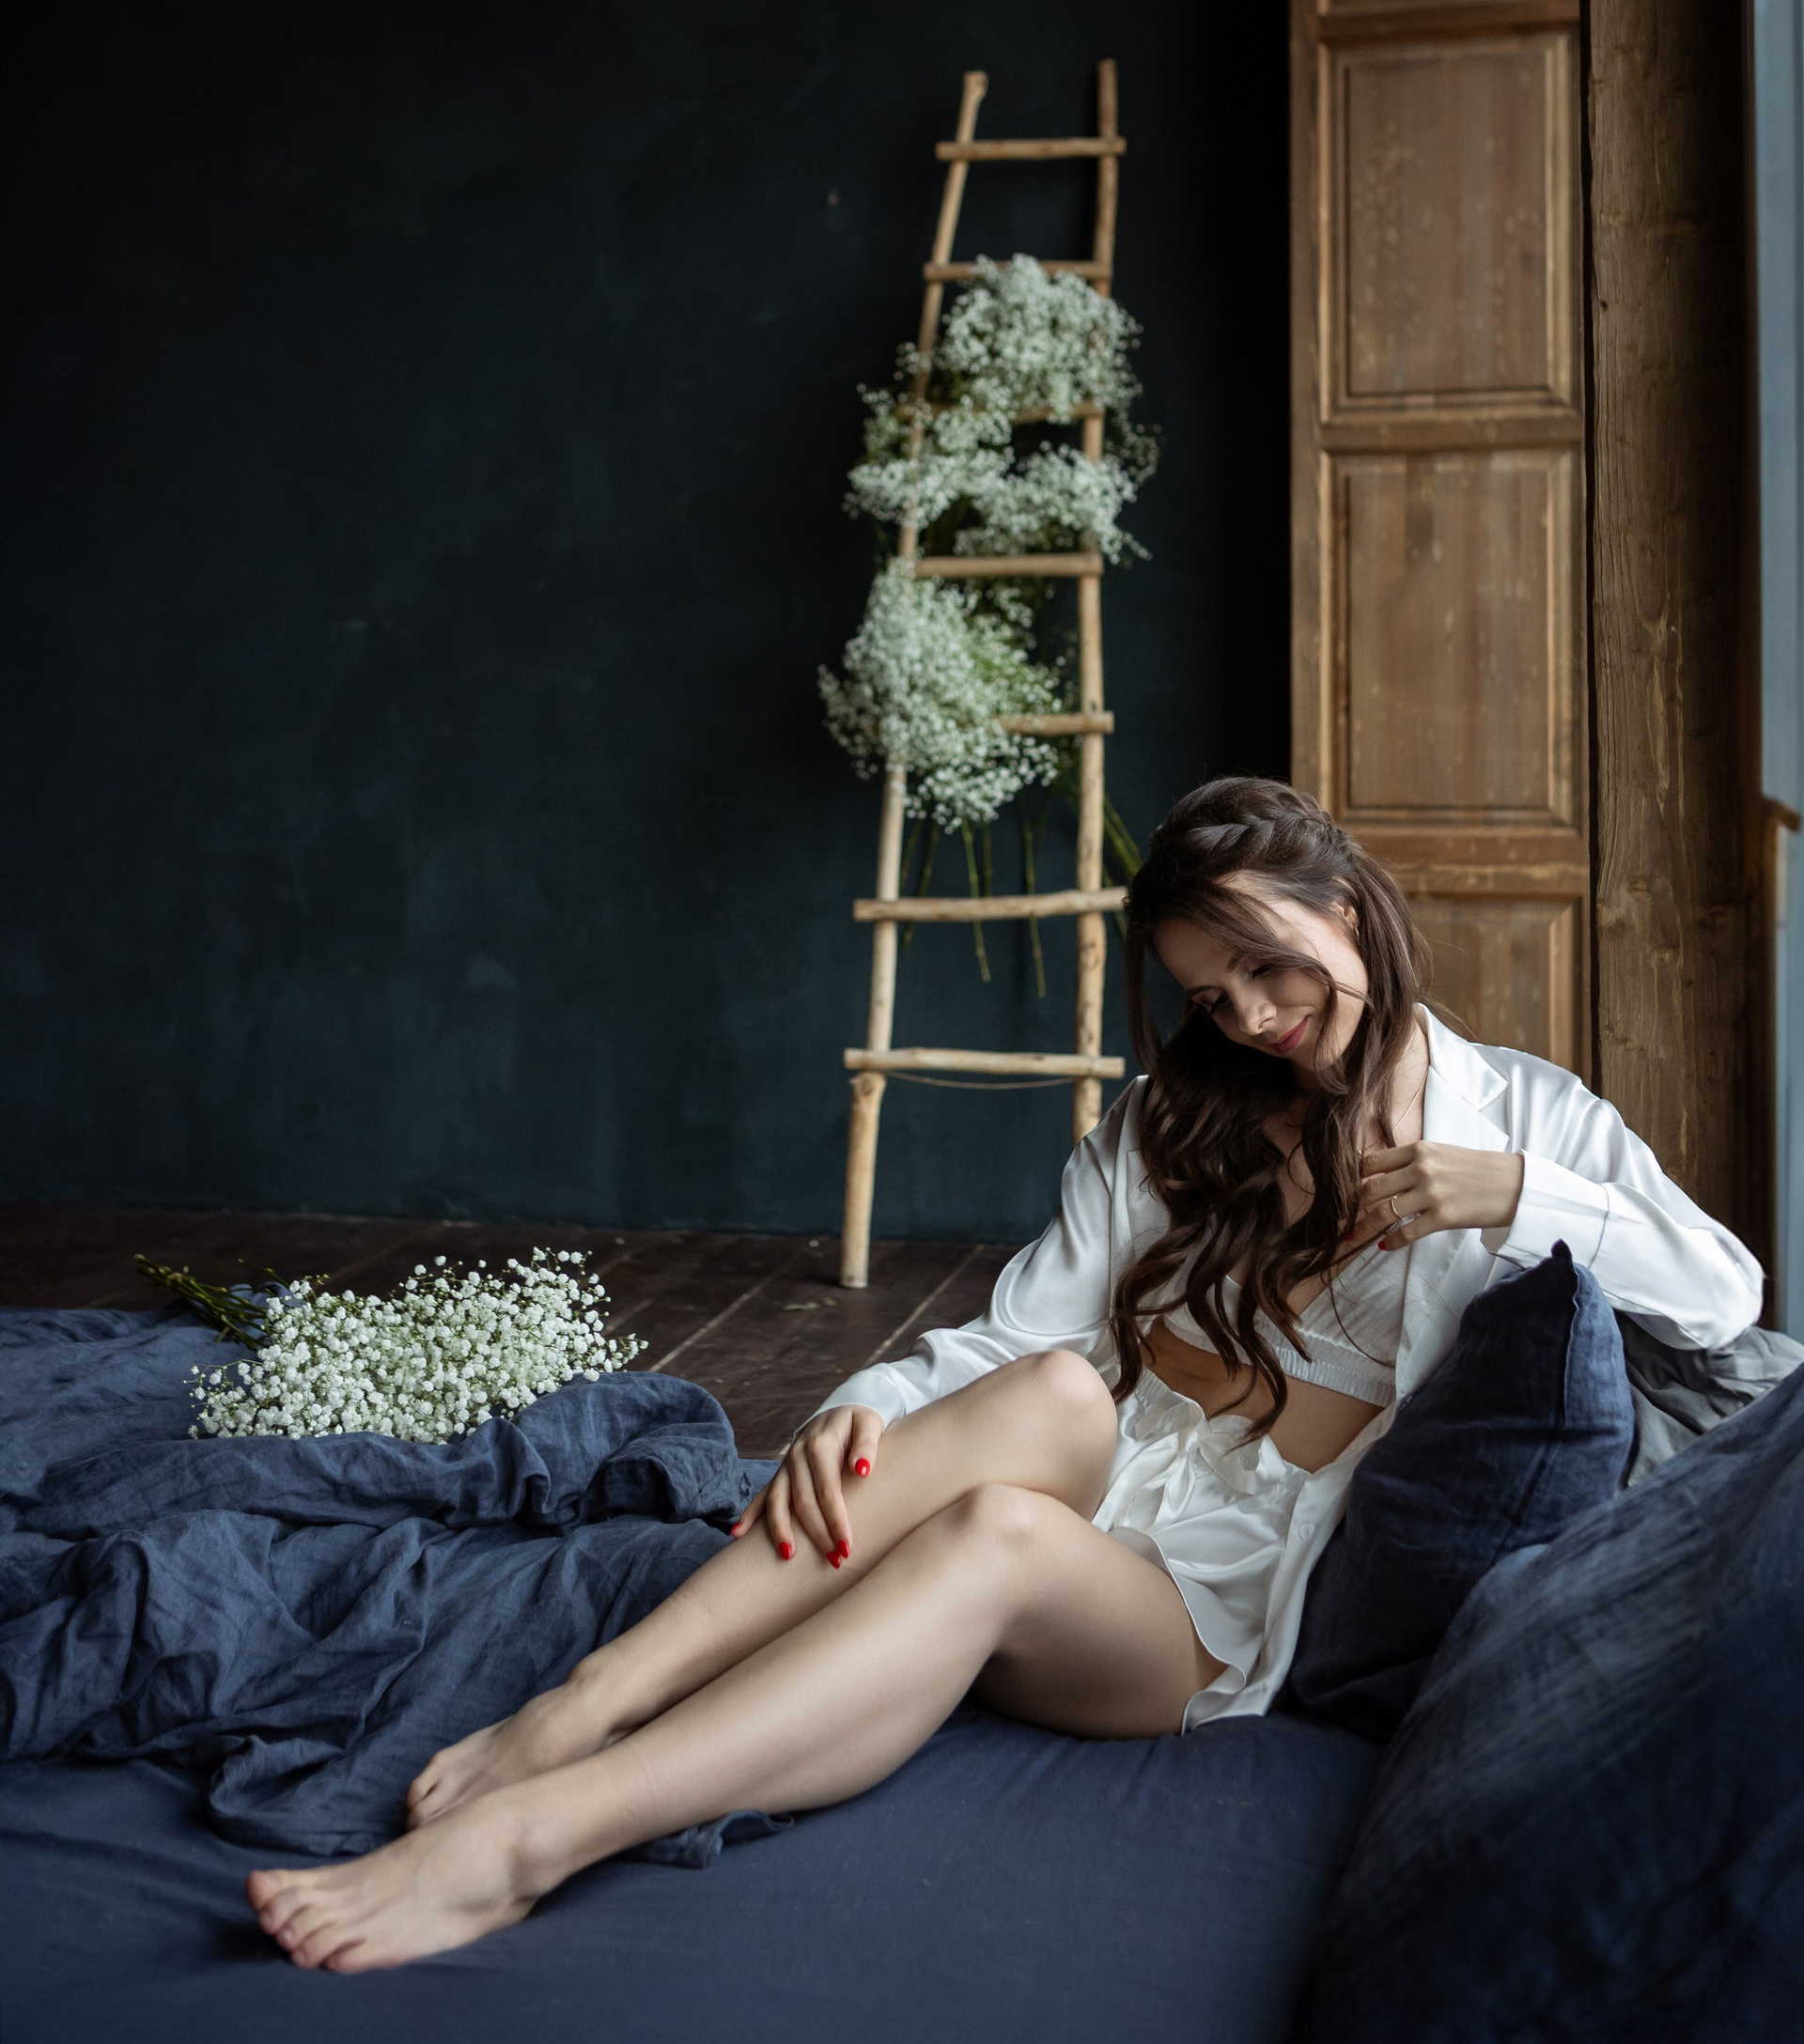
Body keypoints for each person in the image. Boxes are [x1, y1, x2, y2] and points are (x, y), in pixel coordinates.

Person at [247, 776, 1763, 1973]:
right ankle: (583, 1704)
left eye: (1261, 962)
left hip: (1216, 1597)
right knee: (1055, 1394)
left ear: (1346, 901)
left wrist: (1518, 1194)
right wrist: (872, 1404)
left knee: (997, 1533)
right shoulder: (1180, 1117)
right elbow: (1018, 1333)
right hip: (1110, 1466)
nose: (1246, 1013)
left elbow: (1726, 1297)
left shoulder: (1528, 1118)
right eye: (1209, 992)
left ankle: (528, 1842)